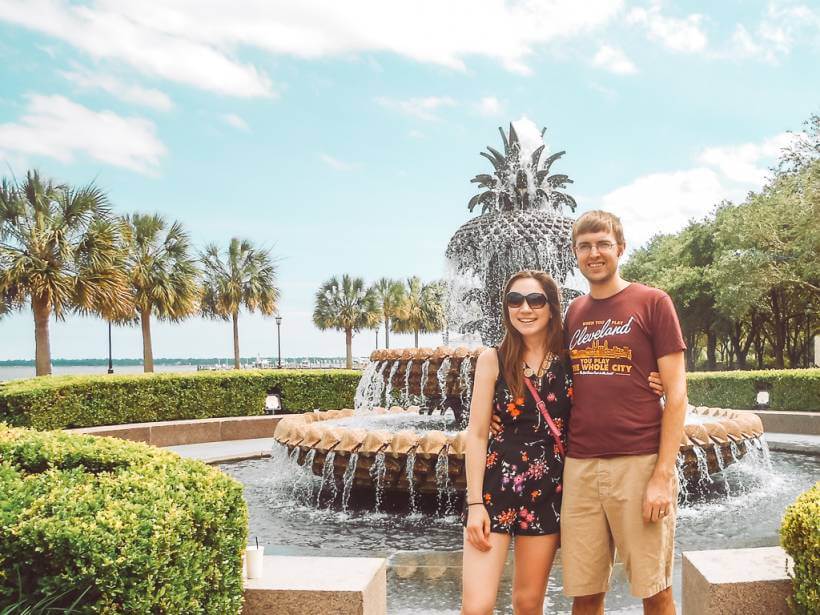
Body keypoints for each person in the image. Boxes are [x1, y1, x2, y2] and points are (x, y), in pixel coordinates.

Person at [462, 269, 665, 615]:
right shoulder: (491, 360)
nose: (524, 308)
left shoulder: (571, 359)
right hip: (494, 490)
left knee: (528, 604)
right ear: (506, 308)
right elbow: (478, 433)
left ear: (552, 307)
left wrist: (654, 381)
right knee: (477, 606)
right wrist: (474, 504)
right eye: (515, 300)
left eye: (535, 300)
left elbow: (612, 376)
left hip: (548, 491)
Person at [561, 210, 687, 615]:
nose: (593, 253)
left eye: (602, 244)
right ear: (575, 253)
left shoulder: (653, 302)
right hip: (580, 466)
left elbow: (677, 394)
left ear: (620, 248)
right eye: (585, 246)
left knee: (655, 589)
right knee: (585, 592)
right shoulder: (573, 312)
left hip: (639, 462)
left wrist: (662, 476)